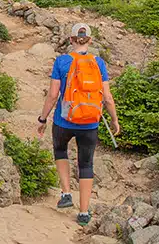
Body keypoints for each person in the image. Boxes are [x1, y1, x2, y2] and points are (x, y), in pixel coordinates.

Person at [36, 22, 120, 226]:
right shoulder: (98, 63)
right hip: (90, 122)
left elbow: (53, 95)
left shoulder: (62, 61)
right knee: (86, 164)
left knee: (60, 150)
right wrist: (114, 119)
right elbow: (107, 97)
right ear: (90, 40)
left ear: (71, 40)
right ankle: (83, 213)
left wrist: (43, 118)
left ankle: (66, 193)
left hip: (64, 120)